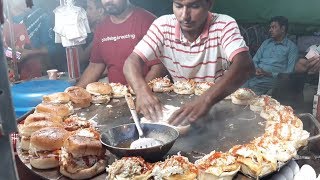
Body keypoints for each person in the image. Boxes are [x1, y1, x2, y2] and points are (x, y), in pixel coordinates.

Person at [123, 0, 255, 125]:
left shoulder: (223, 24)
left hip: (216, 102)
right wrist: (141, 91)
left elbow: (245, 65)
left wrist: (206, 100)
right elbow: (132, 61)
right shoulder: (162, 25)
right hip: (179, 103)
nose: (185, 16)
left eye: (194, 6)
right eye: (178, 6)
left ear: (209, 4)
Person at [76, 0, 166, 87]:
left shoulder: (148, 21)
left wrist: (142, 92)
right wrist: (74, 92)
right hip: (117, 96)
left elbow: (159, 66)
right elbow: (95, 66)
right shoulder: (102, 27)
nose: (108, 1)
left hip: (147, 94)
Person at [242, 16, 299, 95]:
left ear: (282, 29)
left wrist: (268, 73)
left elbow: (288, 73)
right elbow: (255, 60)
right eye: (270, 27)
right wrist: (256, 69)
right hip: (256, 75)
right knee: (239, 83)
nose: (270, 30)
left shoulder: (292, 48)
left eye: (274, 27)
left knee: (250, 89)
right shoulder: (266, 43)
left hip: (272, 80)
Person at [3, 0, 56, 80]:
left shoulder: (40, 16)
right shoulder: (3, 19)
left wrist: (29, 53)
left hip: (37, 79)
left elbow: (53, 48)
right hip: (10, 80)